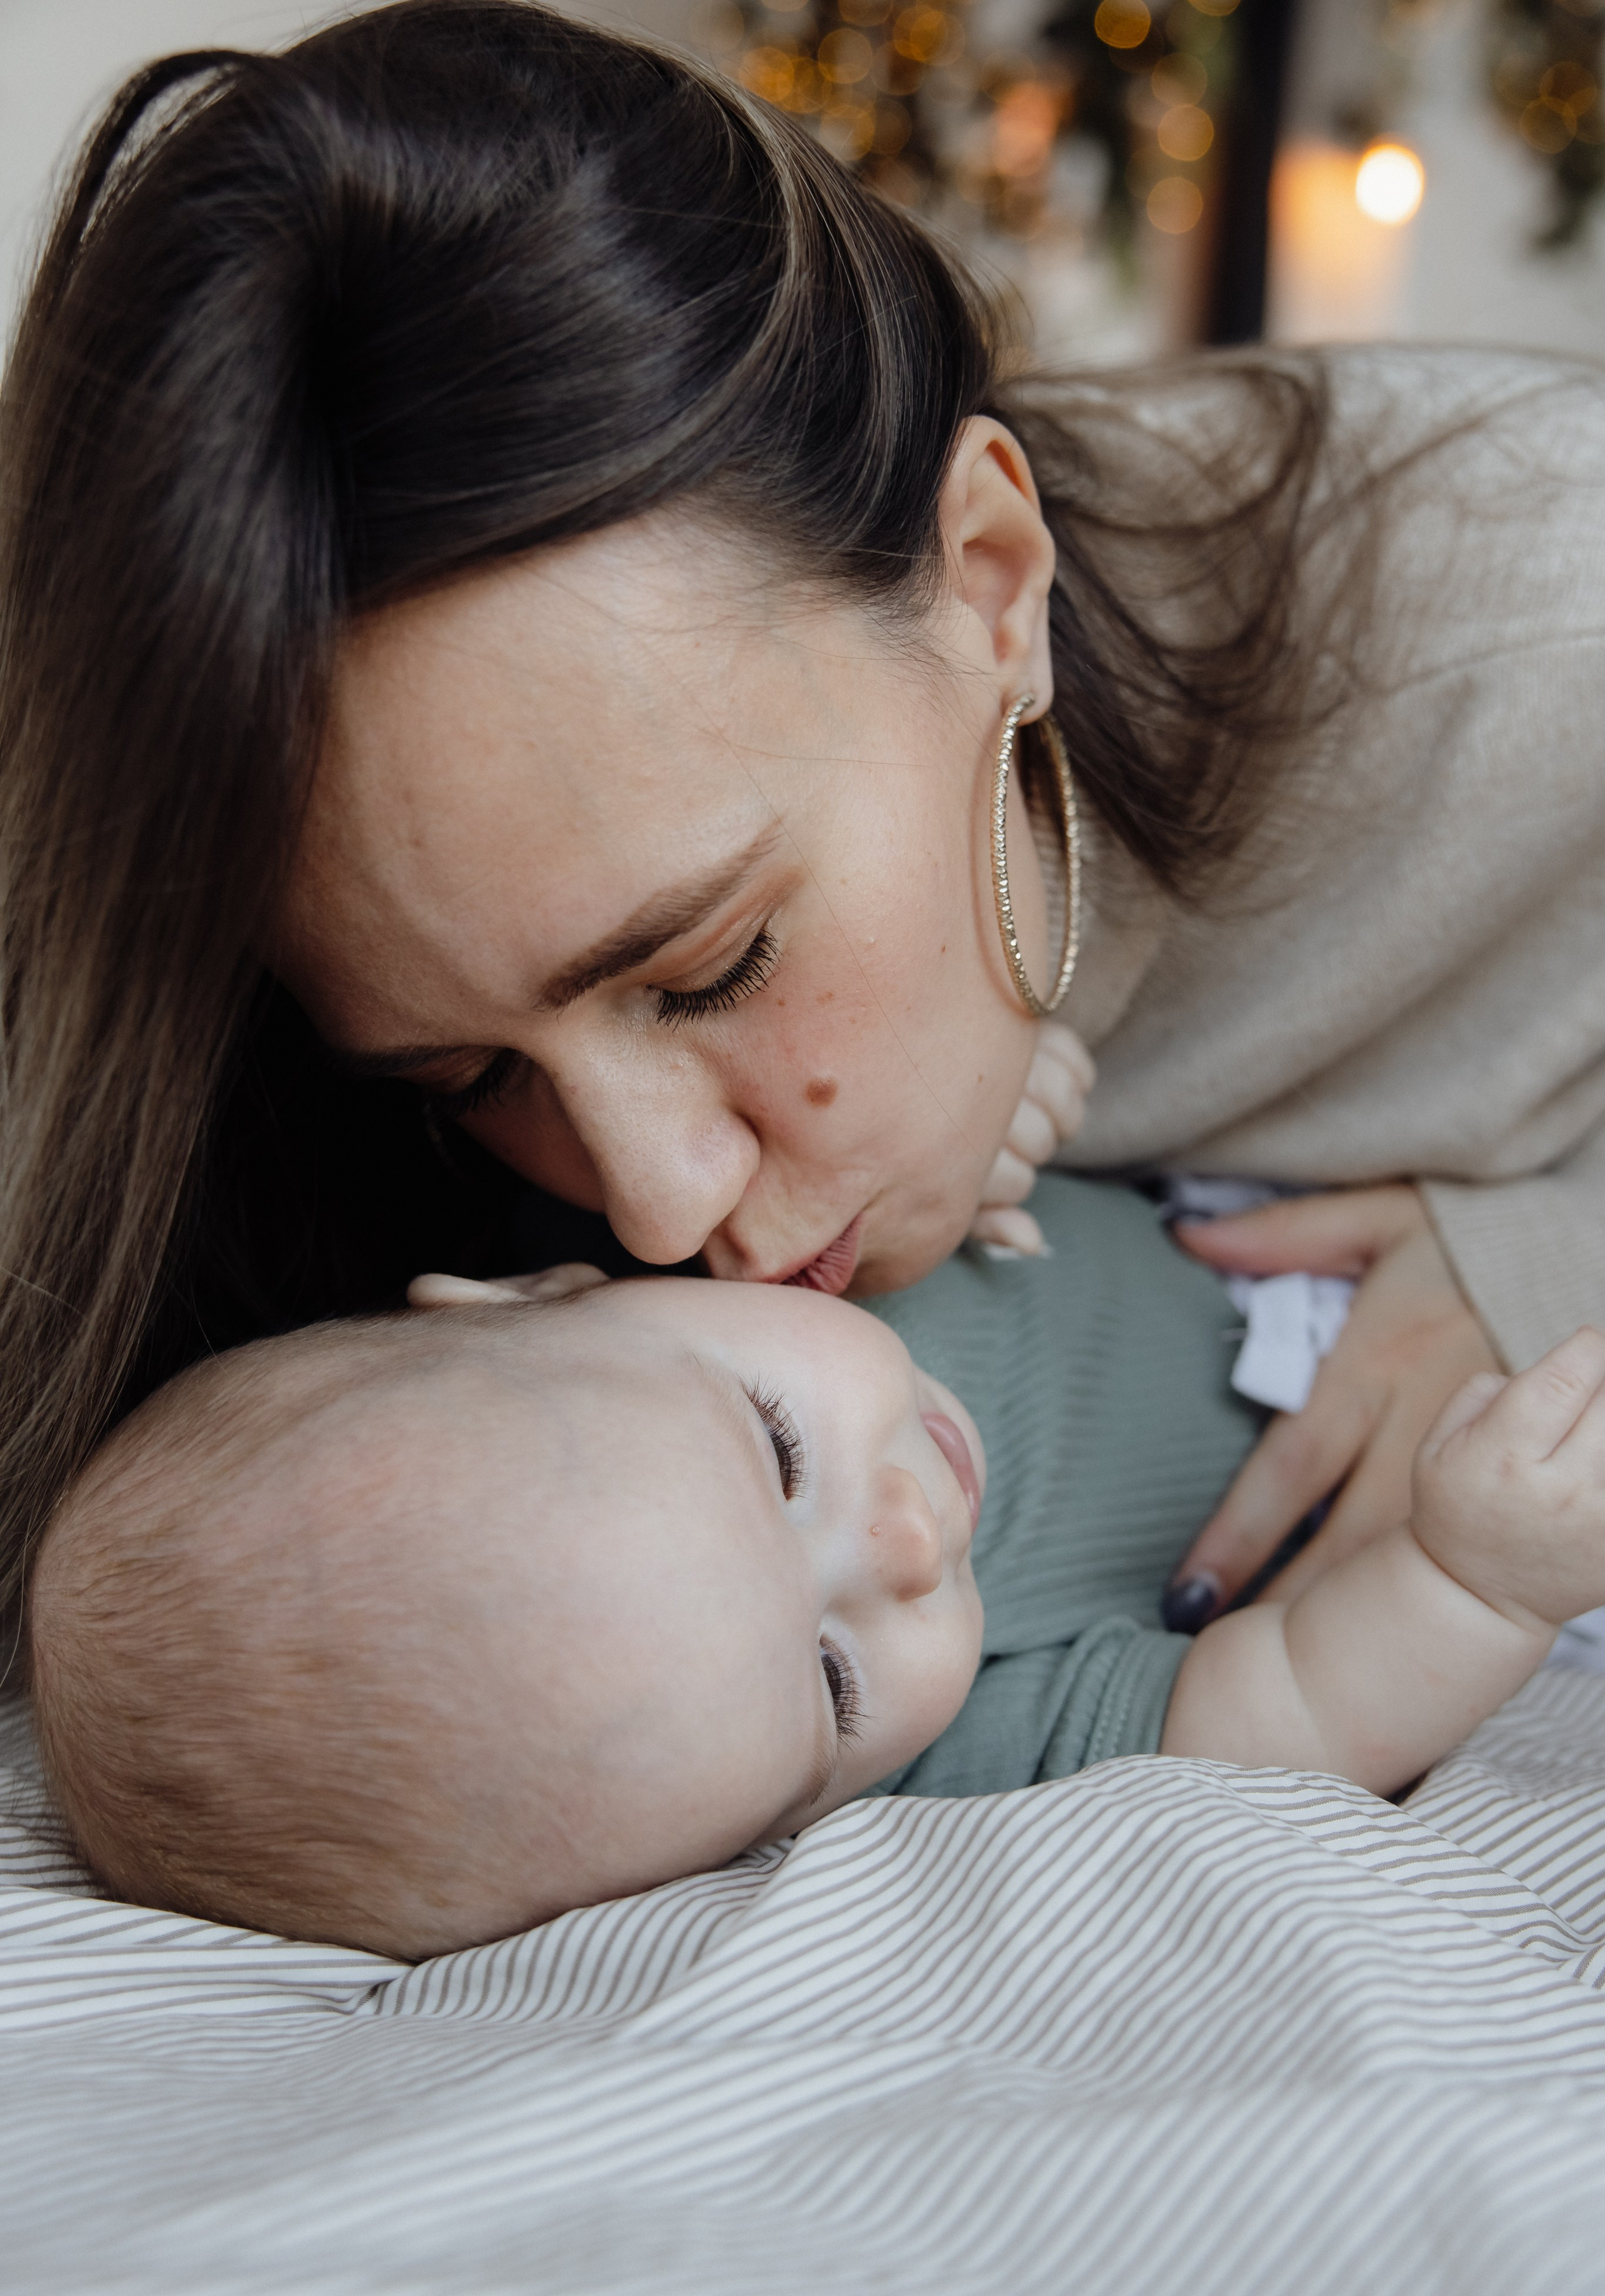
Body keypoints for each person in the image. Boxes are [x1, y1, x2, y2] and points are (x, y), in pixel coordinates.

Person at [4, 0, 1604, 1669]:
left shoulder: (1551, 621)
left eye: (712, 965)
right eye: (465, 1080)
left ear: (991, 581)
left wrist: (1552, 1270)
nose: (653, 1210)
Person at [28, 1169, 1605, 1960]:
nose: (909, 1539)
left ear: (536, 1290)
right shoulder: (949, 1751)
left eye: (779, 1451)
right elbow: (1300, 1709)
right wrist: (1479, 1579)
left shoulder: (702, 1205)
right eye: (832, 1679)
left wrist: (1019, 1097)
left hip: (1308, 1202)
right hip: (1467, 1439)